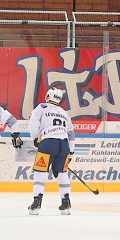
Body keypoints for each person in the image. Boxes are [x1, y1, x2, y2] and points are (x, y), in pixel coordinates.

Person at [27, 86, 74, 216]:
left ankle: (37, 202)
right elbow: (71, 133)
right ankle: (66, 204)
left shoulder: (42, 107)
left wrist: (35, 138)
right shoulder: (65, 112)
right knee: (62, 175)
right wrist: (72, 151)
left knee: (40, 174)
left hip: (48, 142)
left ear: (48, 96)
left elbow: (32, 123)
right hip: (64, 145)